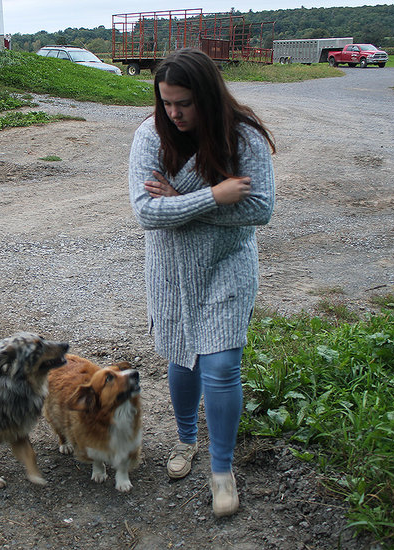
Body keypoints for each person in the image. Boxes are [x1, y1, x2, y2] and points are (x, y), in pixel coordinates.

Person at [128, 48, 275, 517]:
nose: (174, 113)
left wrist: (180, 201)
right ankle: (186, 439)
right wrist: (213, 195)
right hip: (171, 270)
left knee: (222, 365)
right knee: (181, 356)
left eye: (184, 103)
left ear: (207, 97)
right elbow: (148, 213)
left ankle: (222, 470)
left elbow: (260, 208)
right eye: (166, 102)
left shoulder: (243, 135)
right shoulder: (150, 136)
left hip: (227, 265)